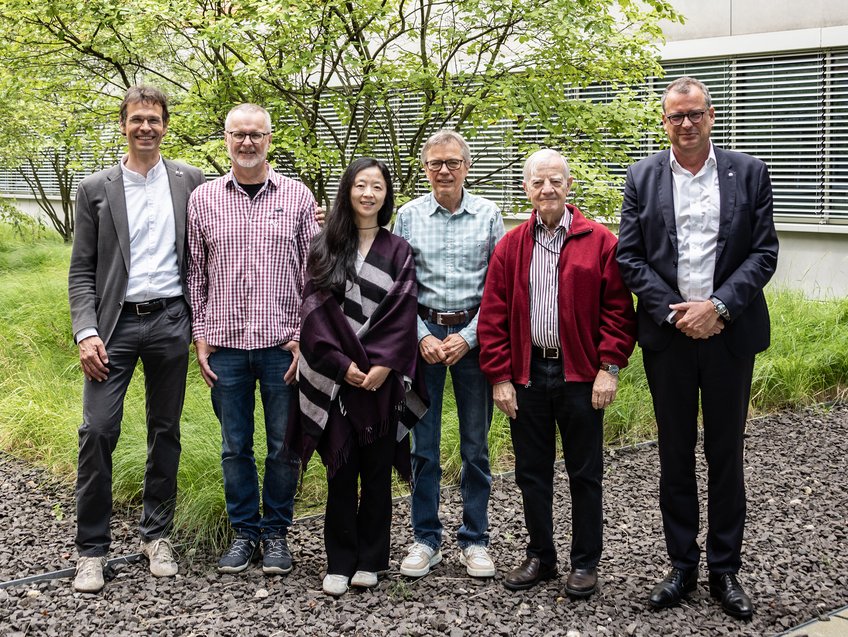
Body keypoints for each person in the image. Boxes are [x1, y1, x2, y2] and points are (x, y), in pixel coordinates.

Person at [616, 76, 779, 620]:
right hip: (669, 337)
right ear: (664, 122)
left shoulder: (749, 172)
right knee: (674, 452)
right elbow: (630, 257)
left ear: (711, 116)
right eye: (675, 116)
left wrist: (718, 308)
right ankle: (682, 566)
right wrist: (677, 312)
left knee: (726, 453)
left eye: (694, 114)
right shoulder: (642, 176)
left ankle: (724, 569)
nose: (685, 124)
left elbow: (763, 252)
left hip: (730, 335)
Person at [477, 149, 636, 597]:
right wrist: (500, 377)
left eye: (555, 181)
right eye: (537, 182)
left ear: (569, 186)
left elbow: (619, 312)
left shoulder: (599, 241)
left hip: (581, 376)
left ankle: (584, 563)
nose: (547, 189)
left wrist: (609, 368)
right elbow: (493, 315)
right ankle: (541, 557)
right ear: (526, 189)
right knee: (532, 472)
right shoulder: (511, 245)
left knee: (585, 473)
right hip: (528, 375)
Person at [68, 86, 205, 593]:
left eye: (154, 119)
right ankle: (91, 550)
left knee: (164, 430)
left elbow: (233, 221)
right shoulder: (95, 188)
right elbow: (81, 269)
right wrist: (85, 331)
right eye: (137, 119)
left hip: (170, 320)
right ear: (123, 124)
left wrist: (313, 218)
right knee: (98, 430)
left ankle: (157, 534)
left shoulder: (190, 180)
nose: (146, 127)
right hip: (114, 327)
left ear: (165, 125)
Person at [187, 103, 320, 575]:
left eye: (256, 134)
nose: (247, 142)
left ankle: (276, 533)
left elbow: (314, 275)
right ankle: (244, 532)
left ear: (269, 139)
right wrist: (200, 335)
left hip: (282, 347)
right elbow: (195, 273)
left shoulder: (297, 197)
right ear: (226, 138)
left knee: (283, 447)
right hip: (224, 347)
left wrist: (303, 337)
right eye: (239, 134)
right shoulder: (203, 199)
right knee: (234, 447)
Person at [289, 157, 427, 596]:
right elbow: (314, 317)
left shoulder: (399, 250)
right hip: (336, 381)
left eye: (378, 187)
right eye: (361, 185)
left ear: (387, 196)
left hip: (381, 381)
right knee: (341, 471)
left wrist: (383, 365)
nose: (369, 194)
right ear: (347, 191)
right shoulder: (324, 247)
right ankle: (339, 560)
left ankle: (371, 560)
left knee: (378, 473)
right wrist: (341, 364)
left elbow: (403, 314)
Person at [392, 130, 504, 579]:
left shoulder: (489, 214)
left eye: (453, 162)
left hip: (474, 339)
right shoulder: (408, 215)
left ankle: (475, 539)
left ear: (466, 167)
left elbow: (499, 287)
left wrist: (470, 337)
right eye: (435, 163)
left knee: (475, 446)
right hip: (422, 339)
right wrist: (421, 335)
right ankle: (426, 539)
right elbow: (399, 287)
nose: (444, 170)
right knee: (423, 446)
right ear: (425, 168)